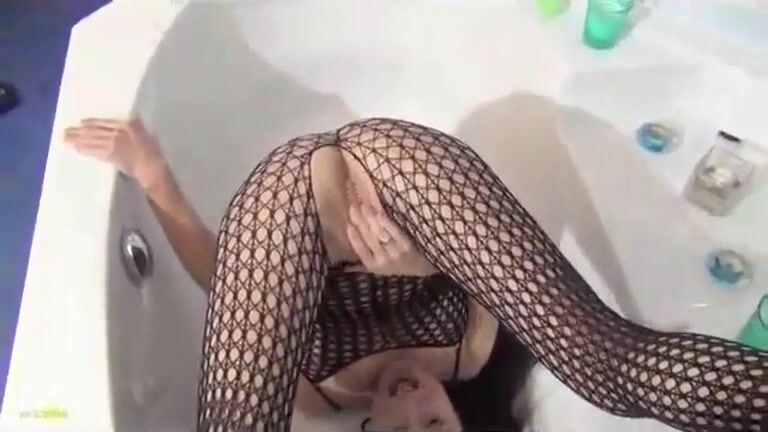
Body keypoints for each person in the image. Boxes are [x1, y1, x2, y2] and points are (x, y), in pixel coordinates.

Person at [64, 117, 767, 432]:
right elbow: (491, 260)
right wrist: (423, 261)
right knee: (609, 373)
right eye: (434, 425)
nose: (411, 405)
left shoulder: (320, 398)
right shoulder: (474, 353)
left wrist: (153, 175)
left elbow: (237, 292)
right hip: (403, 181)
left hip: (291, 211)